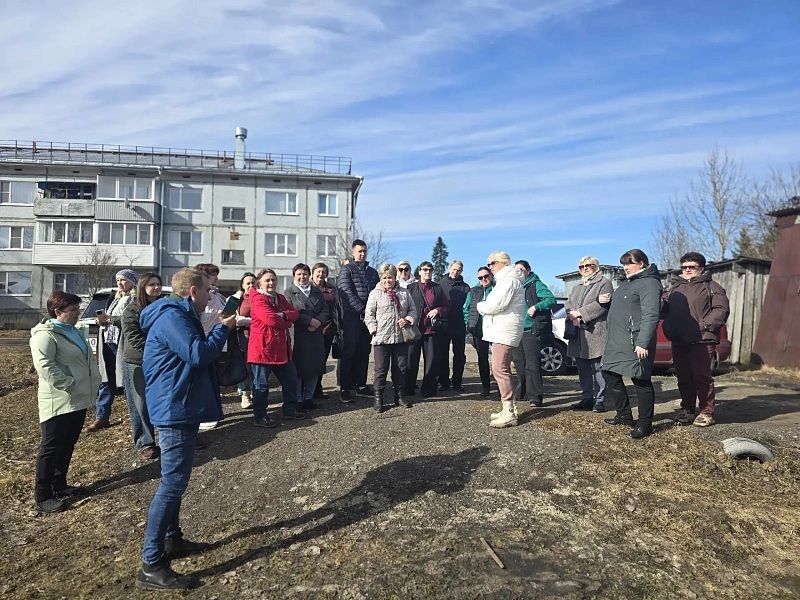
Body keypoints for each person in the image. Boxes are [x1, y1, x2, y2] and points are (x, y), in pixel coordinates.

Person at [135, 268, 236, 590]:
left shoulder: (178, 314)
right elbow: (198, 354)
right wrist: (223, 329)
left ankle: (171, 539)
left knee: (175, 481)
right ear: (193, 291)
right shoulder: (171, 317)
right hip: (173, 407)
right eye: (207, 289)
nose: (211, 294)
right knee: (172, 484)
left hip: (180, 404)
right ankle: (151, 563)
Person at [30, 291, 101, 513]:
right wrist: (68, 382)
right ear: (58, 312)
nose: (77, 313)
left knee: (67, 444)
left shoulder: (72, 330)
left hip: (77, 399)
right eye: (72, 310)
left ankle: (59, 485)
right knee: (51, 448)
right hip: (59, 400)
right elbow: (45, 366)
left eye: (78, 309)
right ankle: (42, 496)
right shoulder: (45, 335)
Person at [662, 252, 730, 427]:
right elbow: (665, 310)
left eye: (691, 267)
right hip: (679, 339)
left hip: (701, 339)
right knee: (684, 377)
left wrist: (705, 326)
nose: (687, 270)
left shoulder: (712, 287)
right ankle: (688, 410)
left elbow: (720, 310)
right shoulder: (675, 288)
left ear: (701, 268)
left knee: (702, 377)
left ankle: (707, 412)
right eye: (684, 267)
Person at [602, 249, 662, 439]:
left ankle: (645, 423)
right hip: (617, 340)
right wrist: (604, 302)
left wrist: (643, 342)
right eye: (623, 264)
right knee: (609, 372)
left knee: (640, 379)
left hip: (634, 341)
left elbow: (651, 315)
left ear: (642, 263)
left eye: (629, 263)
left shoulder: (650, 284)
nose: (625, 267)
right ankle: (624, 415)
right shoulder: (627, 283)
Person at [248, 268, 304, 426]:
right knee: (261, 385)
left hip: (280, 349)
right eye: (267, 280)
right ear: (260, 283)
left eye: (273, 280)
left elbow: (295, 313)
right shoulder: (258, 299)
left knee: (290, 379)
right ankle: (260, 416)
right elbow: (271, 320)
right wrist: (286, 321)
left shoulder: (279, 298)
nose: (271, 283)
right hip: (262, 349)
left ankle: (290, 410)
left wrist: (285, 315)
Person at [477, 252, 526, 428]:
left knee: (499, 368)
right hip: (502, 329)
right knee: (500, 368)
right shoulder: (505, 280)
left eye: (492, 263)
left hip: (505, 330)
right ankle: (508, 408)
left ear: (503, 263)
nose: (490, 267)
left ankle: (509, 412)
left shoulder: (509, 281)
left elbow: (496, 304)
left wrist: (481, 306)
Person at [87, 269, 137, 432]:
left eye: (123, 280)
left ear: (132, 281)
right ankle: (102, 417)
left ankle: (136, 419)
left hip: (123, 345)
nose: (119, 283)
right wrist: (101, 321)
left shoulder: (135, 299)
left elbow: (131, 320)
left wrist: (112, 320)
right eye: (117, 280)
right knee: (106, 380)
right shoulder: (115, 298)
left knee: (128, 382)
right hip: (108, 342)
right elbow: (110, 318)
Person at [364, 263, 417, 412]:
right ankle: (378, 398)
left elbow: (413, 310)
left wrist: (407, 319)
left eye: (391, 277)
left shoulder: (404, 293)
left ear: (395, 278)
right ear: (381, 278)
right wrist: (374, 330)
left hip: (400, 337)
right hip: (381, 338)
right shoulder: (375, 293)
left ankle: (399, 396)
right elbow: (369, 315)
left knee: (400, 368)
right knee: (381, 369)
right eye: (385, 277)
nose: (388, 280)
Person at [120, 272, 162, 460]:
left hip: (161, 360)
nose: (156, 287)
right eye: (152, 284)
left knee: (162, 398)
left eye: (158, 284)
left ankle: (170, 435)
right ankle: (145, 442)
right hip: (137, 361)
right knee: (140, 403)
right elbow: (134, 336)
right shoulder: (132, 309)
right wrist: (155, 352)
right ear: (143, 287)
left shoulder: (164, 305)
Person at [565, 257, 613, 412]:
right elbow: (568, 304)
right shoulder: (577, 285)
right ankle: (587, 398)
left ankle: (600, 400)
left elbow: (602, 305)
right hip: (578, 334)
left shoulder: (604, 283)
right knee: (582, 368)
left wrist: (580, 314)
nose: (584, 268)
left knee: (598, 368)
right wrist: (572, 316)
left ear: (597, 267)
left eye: (588, 266)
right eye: (581, 266)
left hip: (595, 332)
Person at [336, 239, 380, 402]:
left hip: (368, 320)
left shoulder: (373, 272)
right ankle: (345, 387)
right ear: (353, 252)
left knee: (363, 352)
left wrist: (372, 313)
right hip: (351, 317)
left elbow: (377, 292)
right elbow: (345, 292)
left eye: (364, 251)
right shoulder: (347, 270)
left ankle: (360, 385)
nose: (362, 254)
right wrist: (362, 309)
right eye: (359, 251)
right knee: (349, 352)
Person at [285, 263, 331, 411]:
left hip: (316, 333)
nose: (302, 277)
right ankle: (297, 399)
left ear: (309, 275)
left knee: (313, 368)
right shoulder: (289, 292)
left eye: (304, 274)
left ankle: (308, 398)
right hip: (299, 334)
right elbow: (289, 311)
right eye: (299, 274)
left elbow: (325, 309)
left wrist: (319, 321)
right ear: (294, 276)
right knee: (298, 369)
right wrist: (308, 320)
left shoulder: (316, 291)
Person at [510, 259, 556, 407]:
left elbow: (551, 299)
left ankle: (535, 397)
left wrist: (536, 306)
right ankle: (522, 392)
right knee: (519, 363)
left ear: (528, 270)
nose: (519, 273)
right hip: (517, 330)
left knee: (532, 365)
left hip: (531, 330)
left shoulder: (536, 284)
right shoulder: (515, 286)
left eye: (522, 270)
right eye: (517, 270)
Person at [405, 261, 449, 398]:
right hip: (414, 329)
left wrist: (438, 310)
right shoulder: (410, 287)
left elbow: (446, 306)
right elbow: (404, 306)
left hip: (431, 330)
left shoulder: (437, 288)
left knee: (431, 361)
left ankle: (428, 389)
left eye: (430, 269)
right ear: (419, 271)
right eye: (424, 269)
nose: (427, 272)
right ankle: (408, 388)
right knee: (411, 360)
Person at [193, 263, 227, 431]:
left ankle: (215, 412)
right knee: (203, 380)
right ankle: (207, 414)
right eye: (213, 275)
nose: (216, 278)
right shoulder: (196, 295)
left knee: (213, 380)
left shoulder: (217, 295)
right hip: (203, 342)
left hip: (218, 341)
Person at [438, 260, 470, 392]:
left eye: (458, 270)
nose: (455, 272)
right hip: (444, 324)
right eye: (454, 269)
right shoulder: (440, 284)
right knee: (442, 355)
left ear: (461, 271)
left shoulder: (466, 287)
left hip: (459, 325)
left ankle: (457, 381)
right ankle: (443, 382)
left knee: (459, 356)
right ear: (449, 268)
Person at [463, 266, 495, 397]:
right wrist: (468, 322)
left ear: (491, 275)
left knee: (500, 360)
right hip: (478, 329)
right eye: (480, 277)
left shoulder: (497, 288)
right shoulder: (473, 291)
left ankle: (501, 387)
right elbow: (466, 307)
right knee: (482, 359)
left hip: (495, 329)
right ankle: (486, 387)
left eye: (486, 276)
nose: (483, 279)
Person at [311, 262, 340, 399]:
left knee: (322, 361)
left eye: (323, 272)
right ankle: (309, 391)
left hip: (328, 329)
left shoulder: (331, 288)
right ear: (313, 272)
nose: (321, 274)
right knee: (311, 360)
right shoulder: (308, 287)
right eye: (319, 271)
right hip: (312, 329)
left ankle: (318, 388)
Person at [232, 272, 256, 409]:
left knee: (256, 367)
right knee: (245, 367)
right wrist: (256, 321)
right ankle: (245, 395)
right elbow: (233, 318)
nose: (251, 285)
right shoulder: (237, 299)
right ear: (242, 285)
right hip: (244, 338)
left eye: (253, 282)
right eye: (248, 283)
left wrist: (245, 321)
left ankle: (254, 392)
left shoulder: (261, 297)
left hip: (260, 338)